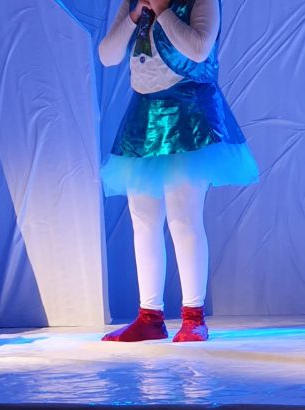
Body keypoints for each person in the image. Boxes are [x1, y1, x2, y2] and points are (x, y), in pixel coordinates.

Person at [98, 0, 258, 342]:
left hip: (188, 114)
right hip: (144, 118)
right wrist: (135, 16)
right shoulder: (133, 4)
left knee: (183, 217)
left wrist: (163, 11)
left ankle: (193, 316)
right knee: (143, 219)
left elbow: (199, 49)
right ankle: (150, 316)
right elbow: (108, 56)